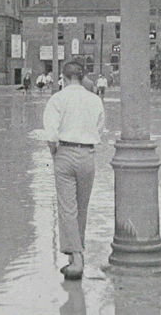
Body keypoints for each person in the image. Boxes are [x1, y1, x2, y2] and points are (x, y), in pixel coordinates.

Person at [43, 61, 105, 280]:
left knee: (67, 207)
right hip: (88, 155)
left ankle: (76, 259)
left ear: (64, 77)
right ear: (83, 77)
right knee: (82, 206)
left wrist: (54, 152)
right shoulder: (95, 100)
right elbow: (100, 128)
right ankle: (76, 252)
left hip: (65, 153)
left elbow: (51, 135)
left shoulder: (57, 99)